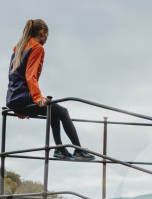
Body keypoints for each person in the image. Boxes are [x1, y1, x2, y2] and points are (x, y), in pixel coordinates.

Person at [5, 19, 95, 160]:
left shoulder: (19, 48)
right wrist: (38, 98)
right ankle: (79, 150)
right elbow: (30, 76)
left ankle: (59, 149)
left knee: (53, 110)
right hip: (24, 97)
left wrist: (17, 109)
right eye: (47, 36)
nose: (46, 40)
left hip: (15, 99)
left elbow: (13, 78)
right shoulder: (36, 48)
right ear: (42, 33)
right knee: (63, 112)